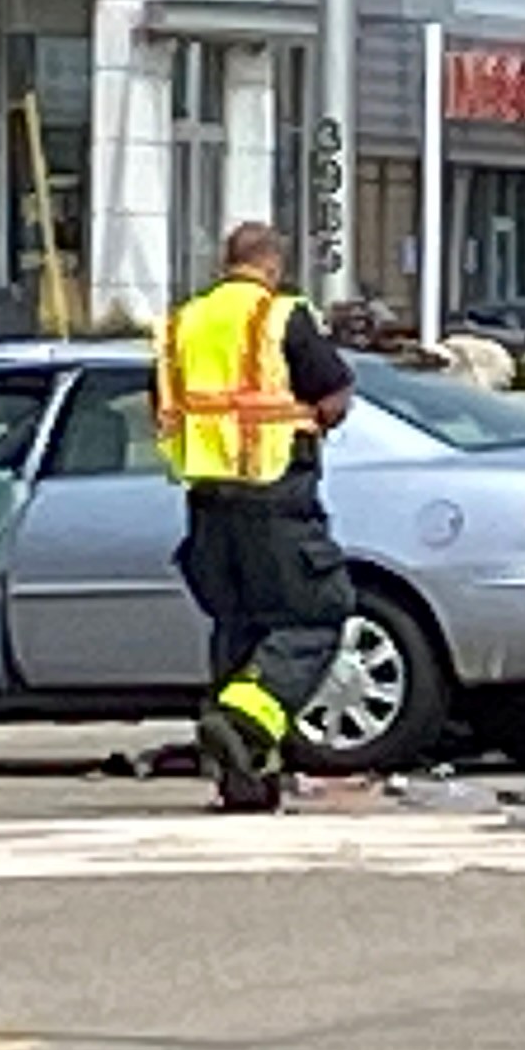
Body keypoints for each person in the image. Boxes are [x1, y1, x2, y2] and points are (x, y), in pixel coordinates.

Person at [154, 220, 357, 814]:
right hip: (274, 495)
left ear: (227, 261)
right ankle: (241, 724)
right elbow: (333, 396)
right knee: (317, 614)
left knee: (239, 628)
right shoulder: (280, 315)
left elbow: (163, 408)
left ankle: (242, 779)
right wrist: (317, 422)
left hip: (207, 502)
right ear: (272, 266)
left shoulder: (182, 323)